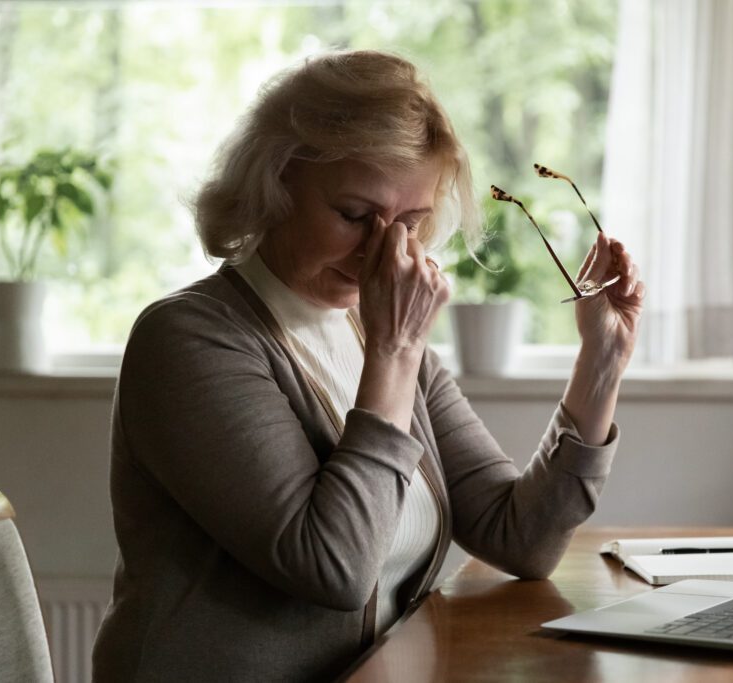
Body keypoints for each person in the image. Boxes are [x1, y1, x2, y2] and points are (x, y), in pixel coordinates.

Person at [92, 49, 645, 681]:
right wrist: (394, 352)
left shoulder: (376, 331)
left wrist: (601, 362)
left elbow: (522, 538)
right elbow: (333, 569)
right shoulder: (190, 339)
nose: (386, 248)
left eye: (411, 221)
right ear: (273, 187)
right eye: (355, 215)